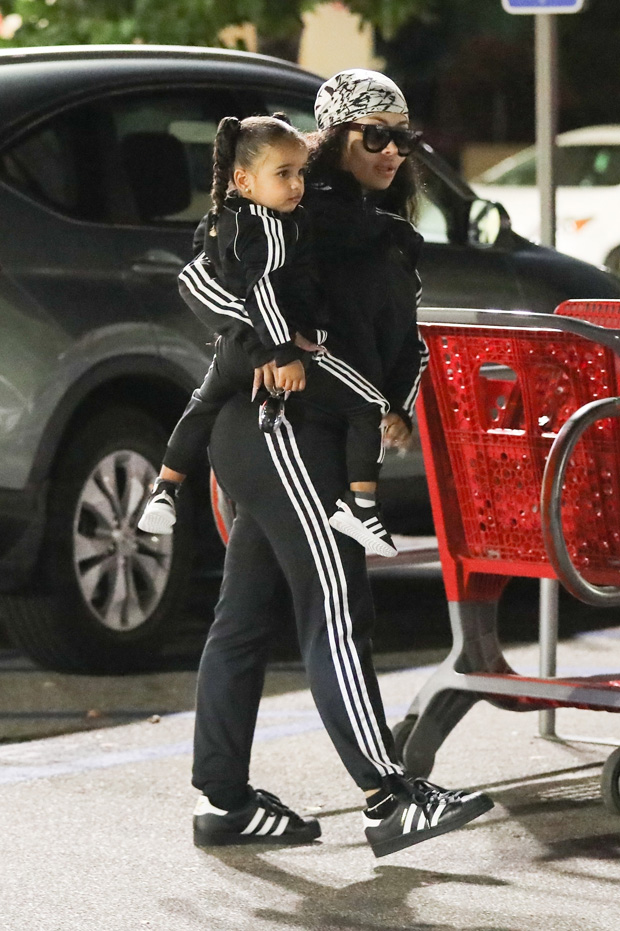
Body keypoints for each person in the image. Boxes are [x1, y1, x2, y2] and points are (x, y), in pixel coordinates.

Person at [190, 69, 494, 858]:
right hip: (280, 429)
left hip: (297, 433)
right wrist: (278, 347)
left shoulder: (367, 220)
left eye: (403, 136)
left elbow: (385, 333)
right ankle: (387, 796)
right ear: (334, 139)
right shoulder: (304, 217)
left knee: (245, 619)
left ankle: (224, 802)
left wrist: (392, 396)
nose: (393, 150)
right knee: (335, 602)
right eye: (375, 135)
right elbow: (218, 283)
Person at [138, 113, 398, 557]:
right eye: (283, 174)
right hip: (275, 349)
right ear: (244, 179)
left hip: (232, 352)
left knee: (202, 406)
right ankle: (362, 508)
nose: (296, 185)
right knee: (368, 406)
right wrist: (281, 353)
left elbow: (209, 270)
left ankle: (164, 489)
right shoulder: (269, 229)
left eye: (299, 172)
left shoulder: (226, 217)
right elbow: (264, 295)